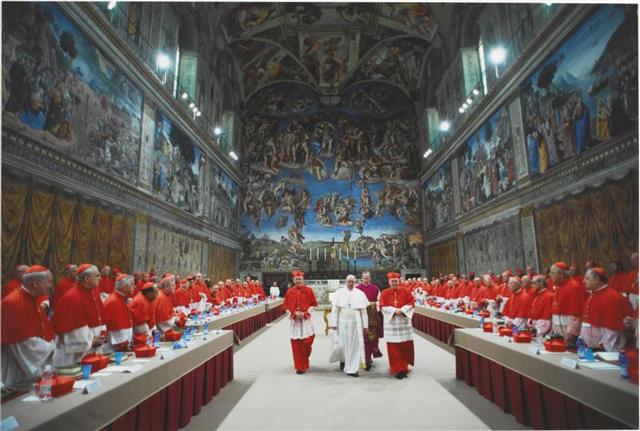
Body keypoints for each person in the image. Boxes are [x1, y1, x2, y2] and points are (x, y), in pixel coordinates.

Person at [1, 265, 56, 389]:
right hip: (19, 368)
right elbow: (21, 341)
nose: (50, 286)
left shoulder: (32, 299)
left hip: (36, 360)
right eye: (49, 282)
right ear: (36, 283)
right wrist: (51, 348)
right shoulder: (13, 303)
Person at [52, 264, 107, 367]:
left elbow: (100, 318)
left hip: (92, 350)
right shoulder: (73, 298)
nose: (100, 278)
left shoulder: (93, 293)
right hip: (73, 357)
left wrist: (102, 335)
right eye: (97, 275)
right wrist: (91, 342)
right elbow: (73, 331)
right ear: (86, 278)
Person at [579, 268, 630, 352]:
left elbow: (613, 327)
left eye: (587, 278)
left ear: (596, 280)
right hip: (591, 347)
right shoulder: (593, 293)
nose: (583, 281)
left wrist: (602, 346)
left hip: (604, 349)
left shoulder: (611, 297)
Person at [329, 275, 369, 377]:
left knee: (354, 347)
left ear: (355, 282)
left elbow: (364, 311)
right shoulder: (339, 293)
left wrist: (366, 325)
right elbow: (335, 310)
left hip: (356, 324)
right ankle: (343, 359)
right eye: (349, 281)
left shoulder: (360, 293)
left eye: (352, 281)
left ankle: (352, 369)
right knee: (342, 345)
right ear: (345, 282)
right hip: (343, 323)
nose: (351, 283)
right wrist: (333, 324)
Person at [379, 272, 415, 379]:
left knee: (404, 346)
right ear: (389, 282)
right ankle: (397, 369)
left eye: (396, 281)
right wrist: (394, 311)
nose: (394, 283)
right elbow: (382, 307)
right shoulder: (384, 293)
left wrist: (402, 310)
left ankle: (404, 367)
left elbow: (411, 303)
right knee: (393, 347)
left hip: (404, 323)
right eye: (392, 281)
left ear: (399, 281)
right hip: (392, 324)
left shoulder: (406, 291)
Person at [283, 270, 317, 374]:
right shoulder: (290, 291)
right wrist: (293, 314)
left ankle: (305, 356)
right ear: (293, 280)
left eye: (300, 279)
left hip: (306, 320)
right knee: (297, 344)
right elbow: (286, 307)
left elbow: (313, 305)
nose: (298, 281)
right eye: (296, 279)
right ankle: (300, 367)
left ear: (303, 280)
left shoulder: (309, 290)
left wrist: (306, 312)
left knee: (308, 341)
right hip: (295, 321)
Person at [550, 262, 585, 345]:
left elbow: (577, 312)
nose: (550, 275)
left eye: (552, 273)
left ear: (561, 274)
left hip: (568, 327)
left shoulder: (574, 287)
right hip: (558, 326)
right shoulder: (558, 286)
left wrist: (572, 332)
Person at [355, 271, 383, 369]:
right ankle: (363, 357)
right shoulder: (357, 289)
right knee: (362, 337)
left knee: (372, 338)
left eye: (368, 278)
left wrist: (374, 306)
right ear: (362, 278)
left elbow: (380, 301)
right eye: (364, 278)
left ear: (370, 278)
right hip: (360, 318)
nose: (366, 280)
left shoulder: (375, 289)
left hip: (372, 317)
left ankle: (369, 357)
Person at [103, 274, 135, 352]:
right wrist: (124, 344)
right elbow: (115, 326)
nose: (134, 287)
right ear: (124, 287)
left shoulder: (120, 299)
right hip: (114, 349)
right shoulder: (114, 302)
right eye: (132, 284)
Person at [153, 275, 177, 339]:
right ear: (166, 287)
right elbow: (163, 320)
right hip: (160, 332)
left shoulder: (166, 295)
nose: (175, 287)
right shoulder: (162, 298)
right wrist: (176, 319)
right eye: (173, 286)